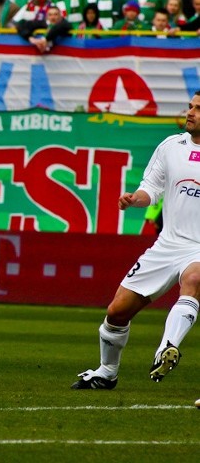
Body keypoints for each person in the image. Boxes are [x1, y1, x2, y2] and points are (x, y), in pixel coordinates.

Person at [73, 91, 200, 389]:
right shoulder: (172, 146)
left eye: (198, 109)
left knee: (193, 280)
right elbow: (151, 189)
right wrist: (135, 199)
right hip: (168, 244)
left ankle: (166, 349)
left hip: (198, 248)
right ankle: (107, 372)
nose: (190, 112)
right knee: (117, 312)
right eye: (190, 106)